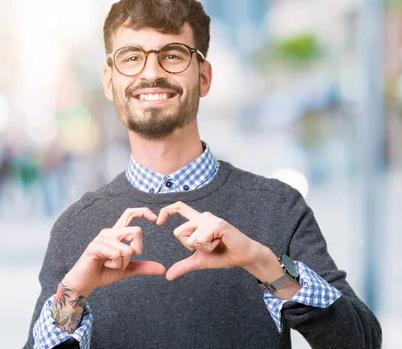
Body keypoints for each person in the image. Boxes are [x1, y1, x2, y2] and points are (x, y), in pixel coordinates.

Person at [23, 0, 382, 348]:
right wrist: (72, 297)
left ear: (205, 76)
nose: (150, 73)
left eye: (173, 55)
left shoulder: (278, 207)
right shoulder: (76, 228)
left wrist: (266, 265)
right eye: (131, 58)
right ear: (109, 80)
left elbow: (362, 341)